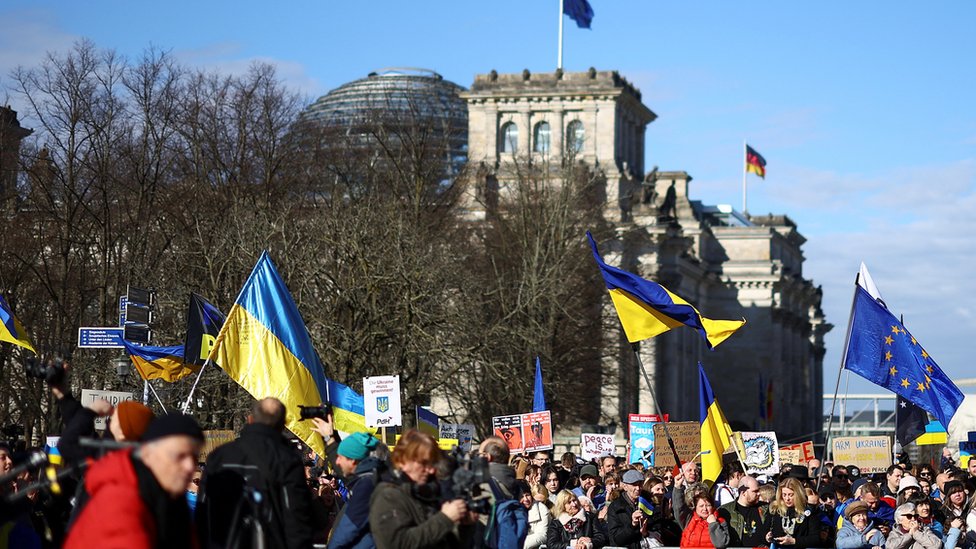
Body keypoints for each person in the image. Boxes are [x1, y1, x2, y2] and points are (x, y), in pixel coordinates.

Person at [64, 412, 204, 547]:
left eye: (194, 457)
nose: (190, 466)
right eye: (179, 456)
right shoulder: (118, 500)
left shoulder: (171, 498)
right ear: (148, 454)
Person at [197, 397, 319, 549]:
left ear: (250, 419)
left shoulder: (219, 456)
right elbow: (296, 517)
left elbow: (202, 510)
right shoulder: (287, 460)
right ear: (282, 425)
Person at [369, 430, 472, 549]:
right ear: (401, 461)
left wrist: (465, 526)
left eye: (433, 464)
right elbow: (398, 544)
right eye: (424, 463)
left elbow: (444, 542)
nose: (431, 470)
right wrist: (445, 519)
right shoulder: (388, 496)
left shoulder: (425, 491)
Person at [319, 421, 384, 549]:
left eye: (340, 457)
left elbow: (346, 532)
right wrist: (328, 437)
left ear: (353, 460)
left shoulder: (367, 486)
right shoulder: (369, 476)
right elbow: (340, 467)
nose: (337, 461)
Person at [769, 477, 824, 548]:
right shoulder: (777, 510)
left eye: (791, 495)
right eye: (784, 495)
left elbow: (815, 538)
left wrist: (794, 541)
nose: (787, 498)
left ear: (798, 494)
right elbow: (772, 531)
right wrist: (769, 536)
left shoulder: (809, 512)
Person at [717, 475, 770, 547]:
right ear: (743, 492)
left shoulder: (766, 508)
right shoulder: (725, 511)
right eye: (755, 491)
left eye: (759, 490)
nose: (759, 493)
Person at [605, 469, 650, 549]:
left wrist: (646, 533)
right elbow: (616, 538)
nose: (638, 488)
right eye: (634, 485)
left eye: (640, 484)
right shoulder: (615, 507)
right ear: (625, 487)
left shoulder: (647, 503)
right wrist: (632, 525)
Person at [519, 480, 549, 549]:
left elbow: (542, 535)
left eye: (527, 495)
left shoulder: (542, 509)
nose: (526, 499)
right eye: (522, 496)